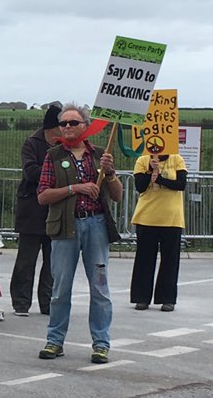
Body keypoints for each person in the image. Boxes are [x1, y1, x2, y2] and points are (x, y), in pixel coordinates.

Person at [36, 104, 122, 364]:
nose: (68, 127)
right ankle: (54, 341)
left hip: (96, 225)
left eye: (74, 123)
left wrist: (109, 173)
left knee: (100, 287)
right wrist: (75, 188)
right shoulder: (53, 155)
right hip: (65, 227)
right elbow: (43, 196)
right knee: (60, 288)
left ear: (85, 126)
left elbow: (117, 195)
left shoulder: (99, 154)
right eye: (64, 124)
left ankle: (101, 343)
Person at [9, 104, 61, 316]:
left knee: (53, 261)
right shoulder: (32, 143)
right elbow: (30, 172)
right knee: (26, 260)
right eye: (62, 124)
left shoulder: (64, 146)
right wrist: (54, 172)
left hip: (55, 210)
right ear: (52, 126)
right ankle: (21, 302)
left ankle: (47, 303)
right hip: (31, 209)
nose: (66, 128)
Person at [129, 152, 188, 312]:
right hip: (147, 216)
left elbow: (181, 184)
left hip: (171, 217)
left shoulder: (177, 159)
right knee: (144, 259)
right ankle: (141, 298)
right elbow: (140, 186)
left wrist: (160, 177)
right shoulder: (142, 160)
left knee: (170, 259)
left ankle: (167, 299)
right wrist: (150, 170)